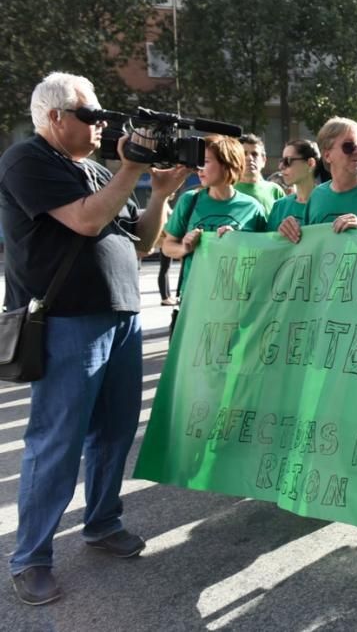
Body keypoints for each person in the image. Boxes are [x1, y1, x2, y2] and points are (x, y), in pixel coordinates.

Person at [0, 72, 191, 605]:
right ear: (55, 117)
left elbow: (145, 243)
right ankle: (32, 557)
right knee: (56, 440)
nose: (103, 124)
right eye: (92, 115)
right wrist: (130, 167)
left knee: (113, 432)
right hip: (66, 320)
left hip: (120, 316)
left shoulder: (93, 170)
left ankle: (102, 522)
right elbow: (85, 223)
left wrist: (157, 194)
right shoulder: (26, 160)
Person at [161, 135, 267, 299]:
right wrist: (184, 248)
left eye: (205, 162)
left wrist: (239, 241)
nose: (199, 169)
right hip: (195, 298)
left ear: (227, 164)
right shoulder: (189, 200)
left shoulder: (252, 208)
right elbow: (167, 246)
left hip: (238, 300)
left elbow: (266, 255)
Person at [277, 118, 357, 243]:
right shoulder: (317, 195)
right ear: (327, 155)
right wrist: (289, 232)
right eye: (349, 146)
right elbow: (306, 246)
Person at [266, 139, 321, 231]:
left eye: (288, 161)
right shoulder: (280, 207)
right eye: (281, 161)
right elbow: (268, 243)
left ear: (310, 163)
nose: (281, 167)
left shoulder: (328, 203)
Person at [234, 133, 286, 217]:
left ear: (264, 160)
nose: (249, 158)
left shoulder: (275, 191)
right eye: (244, 154)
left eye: (254, 154)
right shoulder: (227, 190)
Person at [157, 191, 179, 306]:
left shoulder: (165, 205)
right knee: (164, 269)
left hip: (165, 240)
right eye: (172, 192)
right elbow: (165, 225)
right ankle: (165, 297)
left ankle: (167, 296)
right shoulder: (163, 205)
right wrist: (171, 238)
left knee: (165, 268)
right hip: (165, 241)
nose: (173, 194)